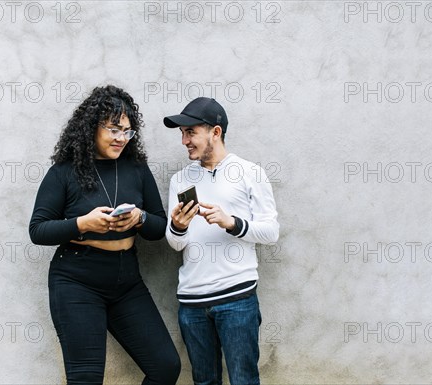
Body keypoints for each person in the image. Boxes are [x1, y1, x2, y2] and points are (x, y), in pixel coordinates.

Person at [29, 85, 181, 385]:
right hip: (77, 281)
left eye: (127, 131)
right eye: (113, 129)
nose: (121, 138)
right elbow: (38, 229)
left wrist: (140, 218)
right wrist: (82, 224)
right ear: (91, 128)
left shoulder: (136, 168)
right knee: (86, 378)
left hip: (126, 281)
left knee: (165, 366)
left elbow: (159, 227)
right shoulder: (64, 172)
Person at [163, 97, 280, 385]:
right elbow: (176, 243)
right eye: (182, 133)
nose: (184, 140)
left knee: (244, 380)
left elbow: (271, 232)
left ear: (215, 132)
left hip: (237, 300)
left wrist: (232, 223)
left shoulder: (251, 173)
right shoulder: (180, 180)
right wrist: (178, 226)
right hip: (192, 303)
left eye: (190, 132)